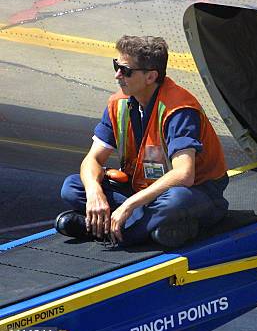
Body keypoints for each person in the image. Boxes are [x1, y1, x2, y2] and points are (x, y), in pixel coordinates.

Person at [56, 35, 229, 248]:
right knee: (72, 187)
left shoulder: (179, 109)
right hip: (141, 190)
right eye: (116, 66)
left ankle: (112, 231)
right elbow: (92, 159)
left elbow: (184, 175)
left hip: (196, 192)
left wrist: (129, 204)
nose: (117, 75)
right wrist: (94, 192)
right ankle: (151, 227)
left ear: (150, 77)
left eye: (126, 71)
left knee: (175, 200)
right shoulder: (117, 104)